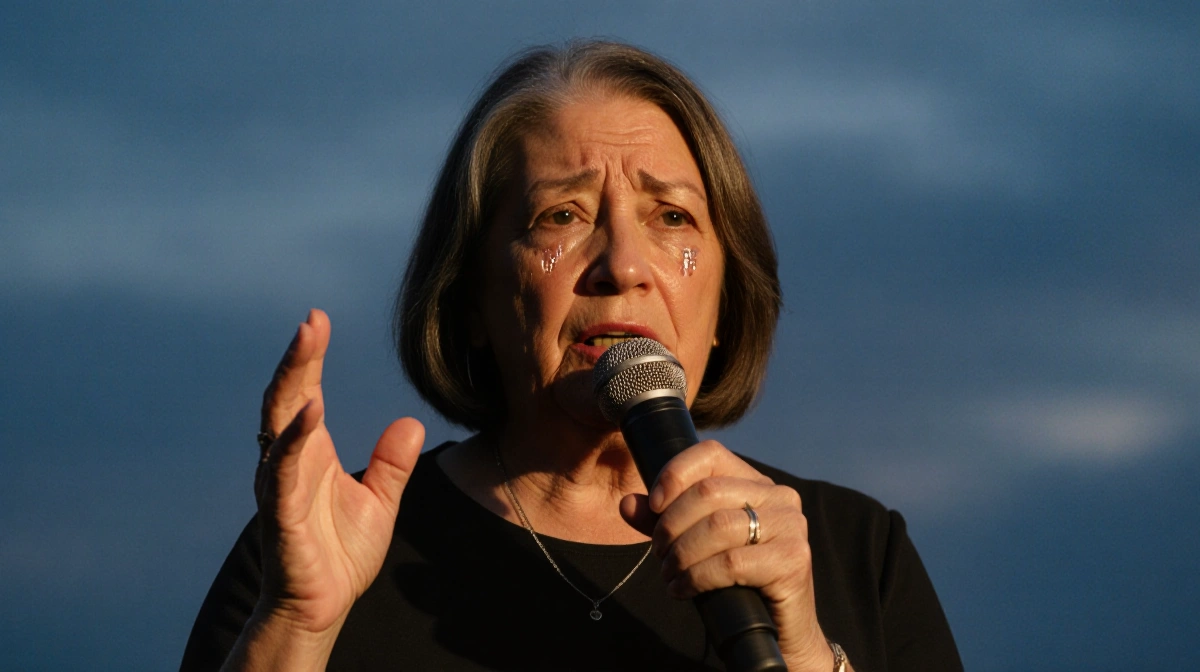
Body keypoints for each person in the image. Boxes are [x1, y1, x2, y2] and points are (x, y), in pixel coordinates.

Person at [182, 41, 962, 671]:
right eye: (563, 214)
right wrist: (297, 626)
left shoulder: (855, 553)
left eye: (672, 218)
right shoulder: (316, 547)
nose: (624, 263)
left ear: (726, 302)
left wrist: (798, 648)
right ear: (472, 298)